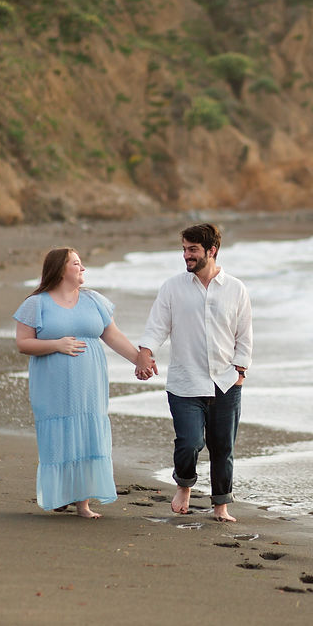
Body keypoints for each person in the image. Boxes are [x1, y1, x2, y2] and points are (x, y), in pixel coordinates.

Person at [14, 247, 147, 518]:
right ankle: (61, 494)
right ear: (61, 269)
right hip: (53, 385)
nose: (82, 268)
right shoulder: (36, 303)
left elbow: (113, 335)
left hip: (90, 384)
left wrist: (139, 360)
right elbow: (23, 343)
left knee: (88, 434)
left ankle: (83, 503)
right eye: (76, 263)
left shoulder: (93, 300)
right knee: (60, 436)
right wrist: (56, 344)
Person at [135, 223, 253, 522]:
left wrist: (240, 370)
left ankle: (221, 506)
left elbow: (244, 334)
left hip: (226, 383)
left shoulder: (236, 289)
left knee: (222, 448)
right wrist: (145, 355)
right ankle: (184, 485)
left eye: (193, 250)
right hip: (185, 382)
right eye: (184, 249)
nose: (186, 256)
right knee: (189, 443)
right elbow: (157, 327)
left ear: (211, 251)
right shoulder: (173, 287)